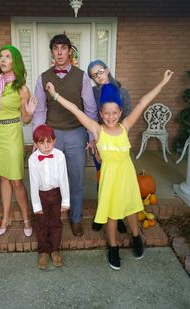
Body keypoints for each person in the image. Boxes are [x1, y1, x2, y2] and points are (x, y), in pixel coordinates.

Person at [45, 69, 174, 270]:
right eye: (106, 113)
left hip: (127, 176)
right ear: (100, 114)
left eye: (115, 113)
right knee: (112, 215)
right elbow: (76, 110)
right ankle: (113, 247)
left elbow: (142, 103)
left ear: (120, 112)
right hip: (110, 178)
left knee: (131, 210)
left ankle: (136, 237)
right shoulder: (97, 130)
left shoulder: (125, 127)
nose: (111, 117)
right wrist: (55, 95)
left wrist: (163, 83)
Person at [33, 34, 98, 236]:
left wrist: (91, 136)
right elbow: (39, 111)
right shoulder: (43, 77)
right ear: (52, 52)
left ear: (70, 51)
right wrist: (38, 138)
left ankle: (76, 218)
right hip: (51, 137)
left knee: (76, 179)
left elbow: (90, 109)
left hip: (76, 134)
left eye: (63, 48)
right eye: (55, 48)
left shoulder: (82, 76)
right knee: (49, 179)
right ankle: (53, 219)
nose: (60, 52)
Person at [0, 45, 37, 237]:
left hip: (12, 134)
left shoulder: (22, 89)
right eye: (1, 57)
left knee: (16, 180)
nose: (3, 60)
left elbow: (25, 119)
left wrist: (30, 113)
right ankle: (5, 218)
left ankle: (26, 218)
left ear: (15, 61)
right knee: (3, 178)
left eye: (7, 57)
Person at [87, 60, 132, 233]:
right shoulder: (92, 93)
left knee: (118, 182)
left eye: (99, 72)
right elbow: (89, 117)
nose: (97, 77)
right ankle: (102, 212)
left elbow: (127, 117)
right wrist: (92, 139)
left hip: (117, 143)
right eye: (93, 75)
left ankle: (118, 216)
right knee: (103, 179)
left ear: (107, 70)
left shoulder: (122, 92)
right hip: (100, 141)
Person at [28, 124, 70, 270]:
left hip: (56, 193)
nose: (46, 146)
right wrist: (36, 205)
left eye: (49, 141)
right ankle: (44, 251)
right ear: (36, 144)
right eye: (41, 142)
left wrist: (65, 200)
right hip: (41, 195)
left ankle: (55, 250)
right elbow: (33, 184)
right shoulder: (33, 159)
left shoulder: (59, 156)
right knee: (41, 223)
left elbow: (64, 179)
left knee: (55, 222)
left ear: (55, 141)